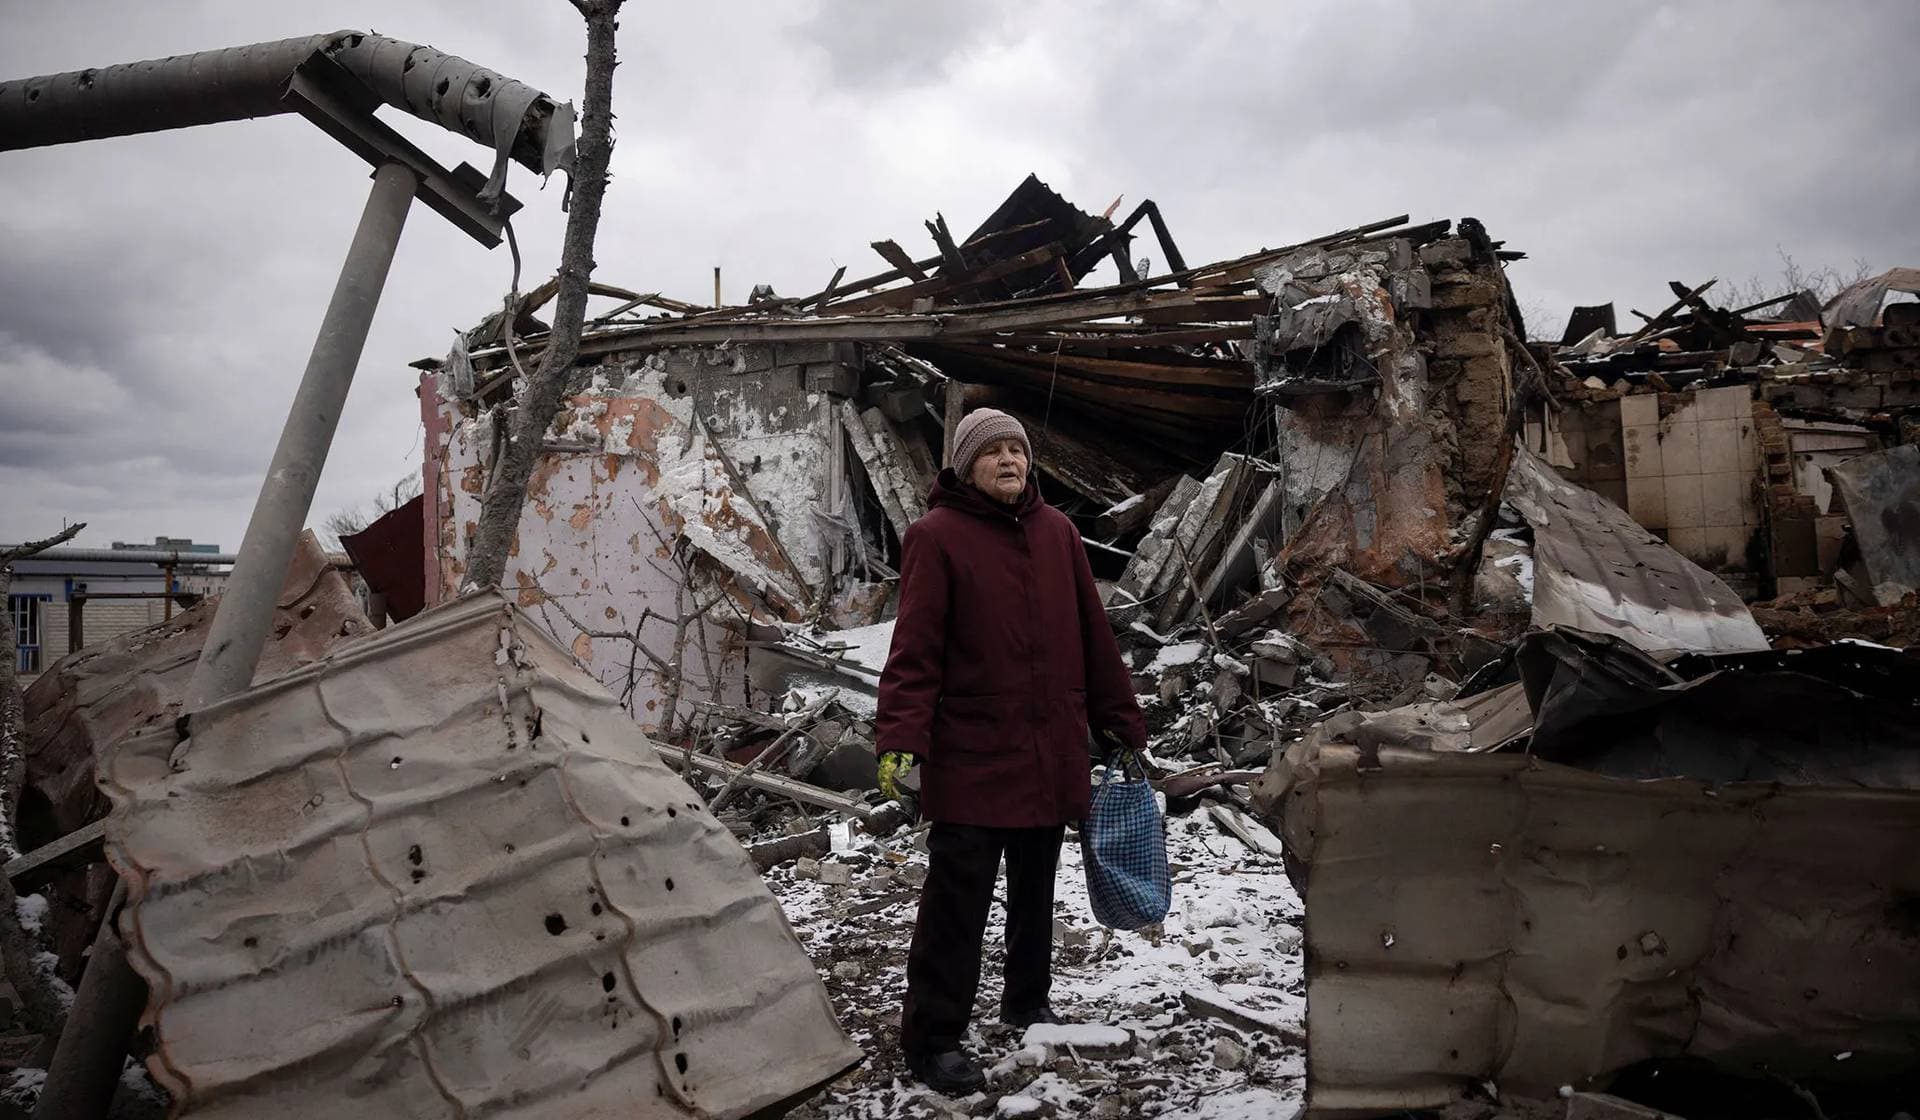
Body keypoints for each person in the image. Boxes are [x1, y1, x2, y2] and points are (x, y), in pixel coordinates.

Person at [875, 407, 1148, 1094]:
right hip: (973, 751)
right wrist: (901, 739)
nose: (1009, 462)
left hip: (1049, 747)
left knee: (1036, 889)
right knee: (956, 903)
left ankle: (1027, 1001)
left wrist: (1119, 721)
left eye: (1017, 451)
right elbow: (914, 651)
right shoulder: (935, 537)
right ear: (967, 465)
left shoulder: (1058, 532)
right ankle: (934, 1037)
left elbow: (1093, 635)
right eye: (992, 451)